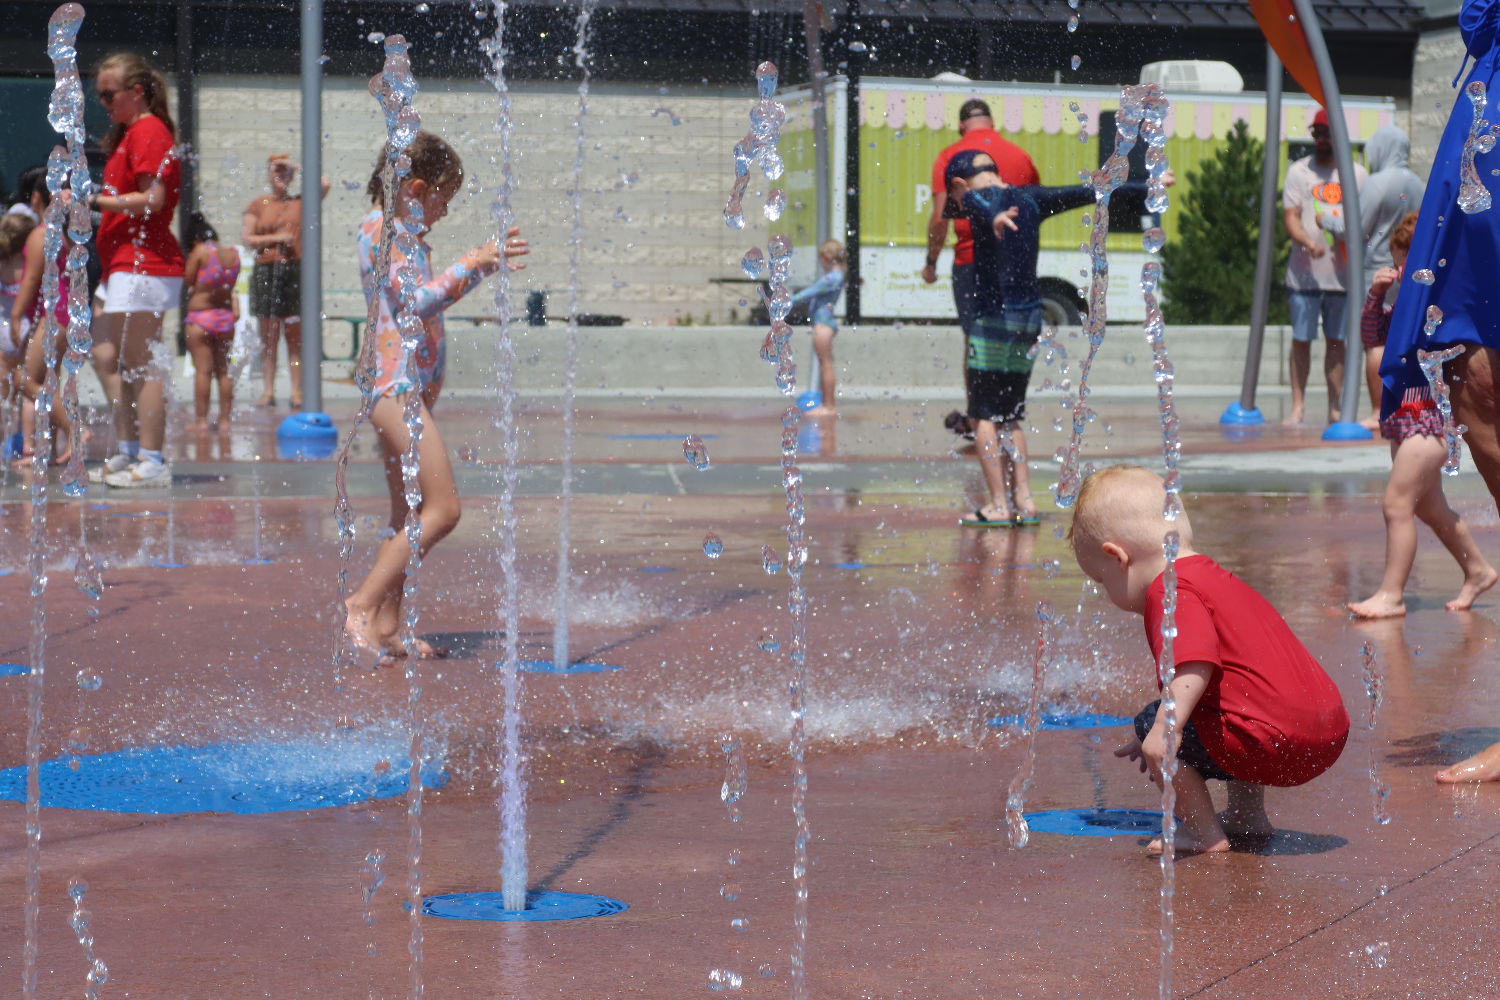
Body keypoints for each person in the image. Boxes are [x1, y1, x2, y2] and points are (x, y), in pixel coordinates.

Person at [1069, 465, 1350, 854]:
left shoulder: (1167, 590)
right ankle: (1247, 815)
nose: (1106, 593)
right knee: (1232, 702)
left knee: (1156, 722)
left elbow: (1194, 664)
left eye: (1102, 582)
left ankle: (1203, 832)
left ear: (1118, 557)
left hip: (1276, 743)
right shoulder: (1214, 577)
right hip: (1325, 729)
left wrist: (1162, 730)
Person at [343, 131, 528, 663]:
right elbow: (413, 304)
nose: (446, 209)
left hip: (406, 390)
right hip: (393, 391)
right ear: (418, 188)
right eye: (445, 197)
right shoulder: (382, 232)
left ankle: (386, 625)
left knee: (412, 512)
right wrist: (476, 262)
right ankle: (360, 605)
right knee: (444, 510)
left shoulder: (403, 235)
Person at [945, 150, 1171, 527]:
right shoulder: (1033, 197)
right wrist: (1147, 184)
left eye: (956, 196)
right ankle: (1025, 501)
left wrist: (992, 215)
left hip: (993, 320)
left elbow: (971, 199)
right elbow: (1094, 190)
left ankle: (998, 505)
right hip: (1029, 318)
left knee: (983, 414)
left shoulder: (973, 199)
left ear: (958, 184)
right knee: (1011, 415)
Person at [87, 52, 184, 489]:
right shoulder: (129, 134)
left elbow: (154, 199)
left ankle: (152, 459)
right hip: (121, 264)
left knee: (140, 363)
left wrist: (94, 202)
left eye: (109, 95)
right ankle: (129, 451)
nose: (103, 103)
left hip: (146, 261)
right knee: (108, 355)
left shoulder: (149, 130)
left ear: (137, 92)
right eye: (99, 96)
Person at [921, 99, 1039, 437]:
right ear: (991, 121)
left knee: (978, 341)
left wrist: (931, 262)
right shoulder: (1019, 155)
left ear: (961, 125)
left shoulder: (951, 156)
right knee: (1013, 338)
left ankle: (980, 419)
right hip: (1019, 263)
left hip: (971, 261)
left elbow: (941, 217)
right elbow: (1028, 201)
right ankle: (1008, 417)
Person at [1282, 108, 1368, 426]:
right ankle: (1298, 407)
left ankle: (1335, 406)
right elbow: (1290, 217)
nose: (1320, 139)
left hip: (1342, 277)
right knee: (1301, 339)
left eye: (1326, 133)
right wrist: (1307, 241)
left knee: (1337, 341)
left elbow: (1362, 222)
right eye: (1316, 133)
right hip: (1303, 276)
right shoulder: (1298, 172)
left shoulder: (1357, 175)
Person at [242, 154, 330, 409]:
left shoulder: (301, 202)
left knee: (295, 336)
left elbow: (325, 183)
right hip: (266, 269)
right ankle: (268, 391)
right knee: (268, 337)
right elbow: (247, 238)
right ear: (269, 175)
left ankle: (295, 391)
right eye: (277, 172)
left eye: (286, 172)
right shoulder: (259, 204)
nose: (281, 176)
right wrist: (276, 238)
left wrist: (298, 167)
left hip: (294, 269)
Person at [10, 185, 83, 466]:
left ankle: (75, 428)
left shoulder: (40, 233)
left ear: (35, 197)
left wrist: (16, 316)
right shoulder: (58, 234)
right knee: (46, 382)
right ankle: (46, 451)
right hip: (64, 314)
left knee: (23, 380)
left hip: (54, 315)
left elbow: (31, 279)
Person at [181, 212, 241, 431]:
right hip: (225, 319)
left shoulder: (200, 251)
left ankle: (201, 421)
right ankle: (225, 421)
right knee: (223, 370)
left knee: (203, 371)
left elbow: (188, 278)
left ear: (196, 240)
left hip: (201, 318)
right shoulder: (233, 254)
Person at [1360, 213, 1417, 422]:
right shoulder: (1404, 305)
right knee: (1376, 352)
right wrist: (1376, 295)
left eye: (1401, 265)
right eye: (1395, 265)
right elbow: (1372, 338)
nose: (1397, 273)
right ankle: (1380, 412)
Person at [791, 239, 846, 417]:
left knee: (826, 365)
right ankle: (826, 404)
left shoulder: (832, 277)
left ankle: (828, 406)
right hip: (824, 324)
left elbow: (811, 291)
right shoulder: (838, 276)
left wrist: (787, 301)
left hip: (823, 326)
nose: (821, 265)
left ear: (827, 257)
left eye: (821, 260)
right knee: (826, 365)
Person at [0, 212, 35, 395]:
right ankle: (25, 423)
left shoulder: (2, 265)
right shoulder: (29, 266)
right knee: (25, 389)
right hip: (26, 329)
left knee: (1, 389)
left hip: (2, 331)